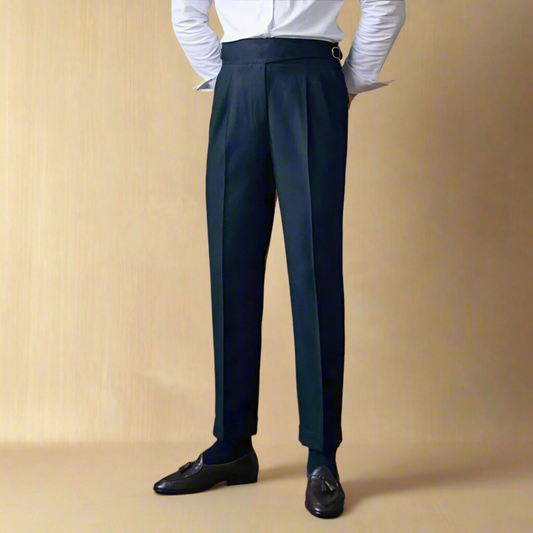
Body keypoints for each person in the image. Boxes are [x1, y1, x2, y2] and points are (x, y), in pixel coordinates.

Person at [154, 0, 406, 519]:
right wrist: (231, 78)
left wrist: (348, 83)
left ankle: (322, 456)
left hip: (311, 80)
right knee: (231, 265)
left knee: (314, 268)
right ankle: (231, 446)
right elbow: (186, 12)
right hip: (237, 80)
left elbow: (386, 5)